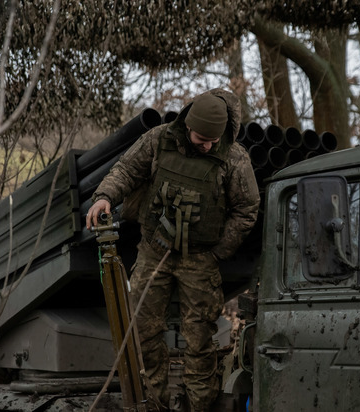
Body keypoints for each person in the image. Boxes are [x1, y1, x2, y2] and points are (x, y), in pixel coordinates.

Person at [86, 88, 260, 412]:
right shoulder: (159, 139)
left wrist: (219, 252)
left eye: (213, 140)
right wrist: (104, 196)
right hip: (155, 249)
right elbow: (127, 170)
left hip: (200, 259)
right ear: (187, 125)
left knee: (200, 342)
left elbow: (247, 208)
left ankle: (199, 407)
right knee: (141, 331)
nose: (207, 145)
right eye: (201, 138)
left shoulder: (234, 158)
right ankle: (153, 405)